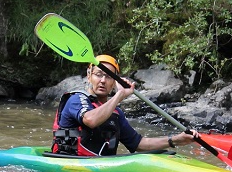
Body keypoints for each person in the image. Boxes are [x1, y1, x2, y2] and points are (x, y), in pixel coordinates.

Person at [52, 54, 196, 156]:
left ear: (114, 82)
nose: (103, 80)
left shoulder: (116, 113)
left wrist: (175, 140)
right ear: (89, 76)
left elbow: (138, 143)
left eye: (109, 76)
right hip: (70, 160)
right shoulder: (76, 99)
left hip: (100, 166)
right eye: (98, 74)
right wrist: (119, 95)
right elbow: (91, 120)